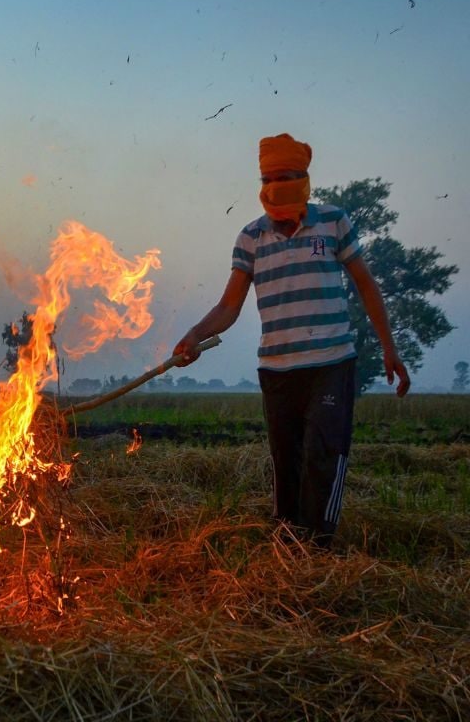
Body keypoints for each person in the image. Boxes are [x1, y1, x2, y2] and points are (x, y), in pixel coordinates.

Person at [174, 133, 410, 547]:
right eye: (270, 179)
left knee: (323, 453)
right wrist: (195, 335)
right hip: (277, 370)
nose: (277, 190)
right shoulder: (251, 238)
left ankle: (319, 547)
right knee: (287, 462)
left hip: (331, 364)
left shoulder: (333, 221)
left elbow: (366, 285)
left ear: (304, 182)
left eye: (287, 178)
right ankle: (288, 544)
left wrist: (389, 347)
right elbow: (229, 307)